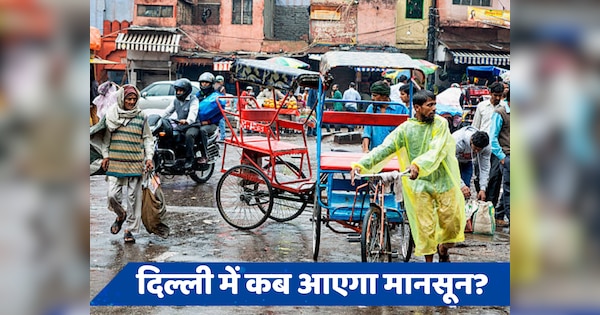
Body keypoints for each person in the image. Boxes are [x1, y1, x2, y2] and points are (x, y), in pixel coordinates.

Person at [351, 90, 465, 262]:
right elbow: (385, 148)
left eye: (435, 104)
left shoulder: (441, 124)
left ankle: (443, 248)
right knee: (425, 227)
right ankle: (429, 266)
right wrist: (361, 164)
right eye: (430, 105)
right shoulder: (405, 129)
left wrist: (418, 164)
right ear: (417, 108)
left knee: (452, 224)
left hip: (443, 180)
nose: (434, 108)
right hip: (418, 183)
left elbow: (436, 149)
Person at [101, 84, 154, 243]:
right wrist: (105, 156)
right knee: (112, 195)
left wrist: (149, 157)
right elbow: (105, 140)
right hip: (116, 162)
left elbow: (147, 138)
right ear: (121, 99)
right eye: (128, 99)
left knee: (133, 198)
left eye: (134, 99)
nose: (131, 102)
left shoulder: (141, 116)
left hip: (135, 162)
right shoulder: (111, 115)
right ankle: (120, 214)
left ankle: (129, 230)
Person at [471, 82, 504, 211]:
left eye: (500, 96)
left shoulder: (504, 109)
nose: (497, 98)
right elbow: (475, 126)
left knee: (495, 177)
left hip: (496, 148)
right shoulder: (482, 107)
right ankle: (480, 205)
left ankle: (491, 206)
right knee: (480, 175)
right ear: (490, 93)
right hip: (481, 146)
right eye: (495, 95)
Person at [161, 78, 200, 169]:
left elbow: (193, 113)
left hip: (192, 125)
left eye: (181, 90)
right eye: (177, 90)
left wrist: (187, 120)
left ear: (186, 91)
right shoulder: (176, 100)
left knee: (189, 135)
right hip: (180, 126)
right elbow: (167, 111)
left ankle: (189, 159)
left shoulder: (193, 100)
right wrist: (159, 118)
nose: (178, 92)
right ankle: (173, 157)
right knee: (170, 135)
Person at [361, 81, 409, 153]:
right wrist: (366, 149)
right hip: (375, 151)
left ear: (384, 96)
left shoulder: (400, 108)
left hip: (394, 151)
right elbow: (367, 132)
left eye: (375, 95)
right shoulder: (371, 108)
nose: (372, 98)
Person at [452, 127, 491, 200]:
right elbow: (450, 166)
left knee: (466, 191)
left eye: (479, 150)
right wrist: (461, 185)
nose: (476, 151)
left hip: (467, 162)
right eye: (475, 148)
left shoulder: (486, 147)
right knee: (454, 189)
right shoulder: (457, 141)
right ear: (471, 141)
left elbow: (484, 168)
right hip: (452, 162)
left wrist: (483, 188)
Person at [490, 88, 510, 227]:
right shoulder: (500, 113)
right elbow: (493, 137)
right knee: (509, 190)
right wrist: (502, 157)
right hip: (507, 155)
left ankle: (498, 214)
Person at [214, 75, 227, 142]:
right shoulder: (222, 88)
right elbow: (223, 98)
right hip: (219, 106)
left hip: (214, 106)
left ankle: (218, 136)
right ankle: (222, 136)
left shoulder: (213, 87)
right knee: (221, 122)